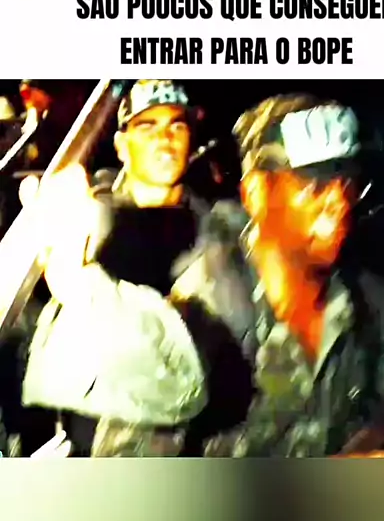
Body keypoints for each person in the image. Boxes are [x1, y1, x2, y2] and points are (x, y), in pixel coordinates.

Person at [170, 93, 384, 456]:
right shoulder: (195, 318)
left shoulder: (378, 310)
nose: (339, 203)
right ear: (256, 193)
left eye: (348, 184)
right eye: (314, 186)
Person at [17, 79, 231, 457]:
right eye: (147, 127)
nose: (164, 139)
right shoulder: (89, 215)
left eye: (177, 125)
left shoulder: (219, 235)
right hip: (79, 440)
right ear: (121, 145)